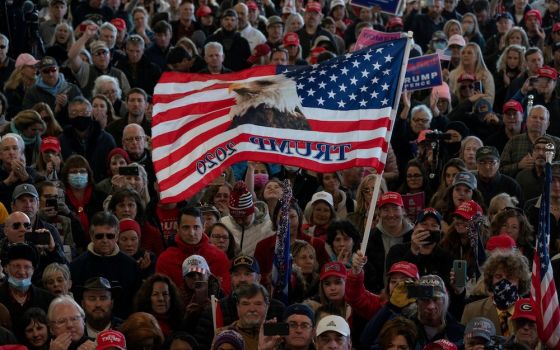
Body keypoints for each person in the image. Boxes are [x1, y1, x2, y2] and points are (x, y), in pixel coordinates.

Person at [194, 255, 286, 349]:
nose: (242, 279)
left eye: (247, 274)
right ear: (231, 278)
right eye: (236, 274)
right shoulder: (214, 311)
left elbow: (286, 344)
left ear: (258, 278)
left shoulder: (278, 309)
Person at [69, 211, 141, 318]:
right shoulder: (76, 266)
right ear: (92, 236)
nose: (105, 240)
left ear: (117, 236)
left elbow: (136, 302)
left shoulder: (131, 265)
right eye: (99, 236)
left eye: (110, 236)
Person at [156, 206, 231, 294]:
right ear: (177, 228)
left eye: (196, 227)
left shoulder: (219, 257)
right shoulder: (165, 260)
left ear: (203, 227)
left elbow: (226, 292)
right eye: (186, 227)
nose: (191, 233)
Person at [461, 249, 531, 336]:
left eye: (510, 277)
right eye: (498, 276)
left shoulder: (533, 311)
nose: (504, 281)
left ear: (520, 281)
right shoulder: (472, 311)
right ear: (491, 279)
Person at [386, 208, 454, 287]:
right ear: (415, 227)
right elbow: (396, 283)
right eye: (424, 224)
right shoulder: (396, 251)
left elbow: (449, 291)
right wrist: (413, 251)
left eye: (434, 225)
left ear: (440, 230)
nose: (429, 228)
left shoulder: (446, 256)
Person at [58, 97, 117, 182]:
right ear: (69, 115)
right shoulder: (62, 140)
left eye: (84, 112)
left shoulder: (106, 139)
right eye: (74, 113)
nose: (80, 116)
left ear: (91, 113)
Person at [365, 191, 414, 293]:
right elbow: (368, 271)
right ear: (379, 213)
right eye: (386, 210)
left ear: (403, 211)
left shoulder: (414, 237)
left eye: (395, 209)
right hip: (379, 296)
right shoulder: (370, 238)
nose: (391, 215)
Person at [68, 25, 130, 100]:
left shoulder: (119, 74)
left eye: (104, 52)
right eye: (98, 53)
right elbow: (72, 56)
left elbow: (128, 97)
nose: (102, 56)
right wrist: (86, 36)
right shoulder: (86, 70)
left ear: (110, 56)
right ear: (92, 58)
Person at [0, 243, 54, 327]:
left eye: (27, 267)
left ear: (33, 270)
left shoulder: (48, 300)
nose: (22, 272)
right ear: (6, 268)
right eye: (16, 266)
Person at [500, 105, 560, 178]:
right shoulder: (514, 141)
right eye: (534, 117)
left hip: (549, 187)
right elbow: (500, 170)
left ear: (547, 124)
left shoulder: (557, 143)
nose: (537, 120)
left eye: (541, 118)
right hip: (519, 186)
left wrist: (544, 165)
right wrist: (518, 165)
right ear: (527, 121)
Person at [220, 181, 273, 255]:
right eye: (236, 218)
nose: (240, 221)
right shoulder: (223, 224)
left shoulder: (268, 227)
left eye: (243, 218)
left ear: (252, 212)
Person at [215, 283, 270, 350]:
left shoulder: (278, 332)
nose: (252, 309)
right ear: (238, 307)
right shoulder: (223, 334)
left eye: (258, 304)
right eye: (246, 304)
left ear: (267, 306)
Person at [0, 133, 39, 208]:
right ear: (0, 155)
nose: (11, 152)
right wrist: (8, 182)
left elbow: (40, 194)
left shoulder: (31, 172)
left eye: (15, 148)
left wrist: (26, 177)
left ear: (21, 153)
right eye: (6, 149)